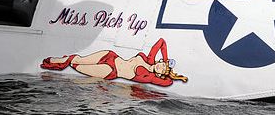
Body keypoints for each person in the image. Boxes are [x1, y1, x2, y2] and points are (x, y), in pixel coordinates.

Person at [40, 37, 187, 87]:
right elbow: (161, 42)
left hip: (111, 71)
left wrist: (172, 75)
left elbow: (167, 83)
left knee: (76, 64)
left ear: (159, 74)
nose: (161, 66)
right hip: (111, 56)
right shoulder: (150, 59)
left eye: (162, 69)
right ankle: (52, 61)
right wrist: (167, 60)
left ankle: (55, 62)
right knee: (78, 59)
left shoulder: (150, 76)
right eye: (162, 63)